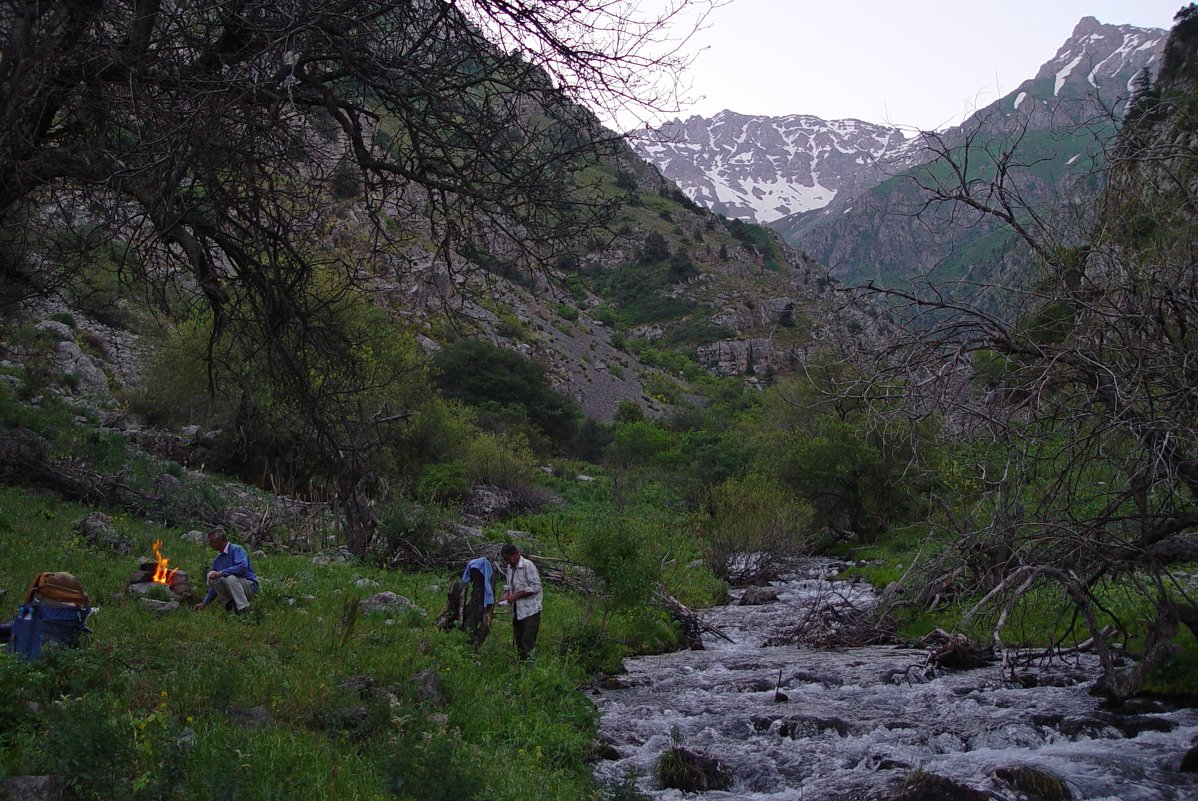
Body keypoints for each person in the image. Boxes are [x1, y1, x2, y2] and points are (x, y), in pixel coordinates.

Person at [193, 527, 259, 614]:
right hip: (234, 589)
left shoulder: (237, 549)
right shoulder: (218, 559)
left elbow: (243, 567)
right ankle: (230, 605)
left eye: (212, 542)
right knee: (213, 577)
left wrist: (221, 573)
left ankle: (244, 608)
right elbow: (214, 587)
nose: (211, 545)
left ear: (219, 541)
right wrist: (204, 603)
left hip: (249, 586)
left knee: (229, 577)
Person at [499, 543, 542, 660]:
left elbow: (536, 586)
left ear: (516, 554)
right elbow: (509, 585)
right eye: (505, 560)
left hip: (530, 611)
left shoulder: (528, 566)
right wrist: (506, 594)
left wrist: (516, 596)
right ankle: (521, 665)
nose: (508, 562)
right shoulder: (510, 568)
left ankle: (530, 668)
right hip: (517, 610)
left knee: (527, 641)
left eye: (509, 559)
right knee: (519, 640)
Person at [461, 556, 496, 649]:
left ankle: (475, 642)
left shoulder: (487, 584)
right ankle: (469, 641)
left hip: (481, 606)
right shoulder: (477, 589)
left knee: (483, 624)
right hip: (475, 603)